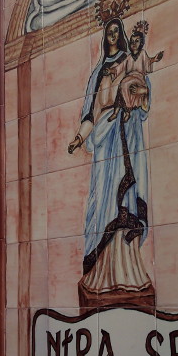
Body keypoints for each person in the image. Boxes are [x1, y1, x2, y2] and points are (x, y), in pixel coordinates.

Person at [68, 18, 154, 308]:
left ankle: (127, 271)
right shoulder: (99, 71)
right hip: (104, 141)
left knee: (124, 198)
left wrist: (133, 96)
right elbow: (90, 113)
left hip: (124, 136)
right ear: (105, 37)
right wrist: (79, 139)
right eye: (110, 32)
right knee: (102, 203)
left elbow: (142, 95)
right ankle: (101, 273)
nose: (114, 35)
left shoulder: (130, 62)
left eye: (117, 31)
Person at [107, 24, 163, 123]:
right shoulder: (128, 57)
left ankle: (127, 111)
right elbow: (120, 67)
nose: (134, 44)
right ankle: (116, 112)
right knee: (121, 89)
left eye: (137, 41)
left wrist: (154, 59)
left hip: (138, 79)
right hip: (128, 79)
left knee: (125, 84)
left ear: (141, 43)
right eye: (132, 41)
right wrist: (111, 71)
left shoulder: (142, 54)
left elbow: (148, 62)